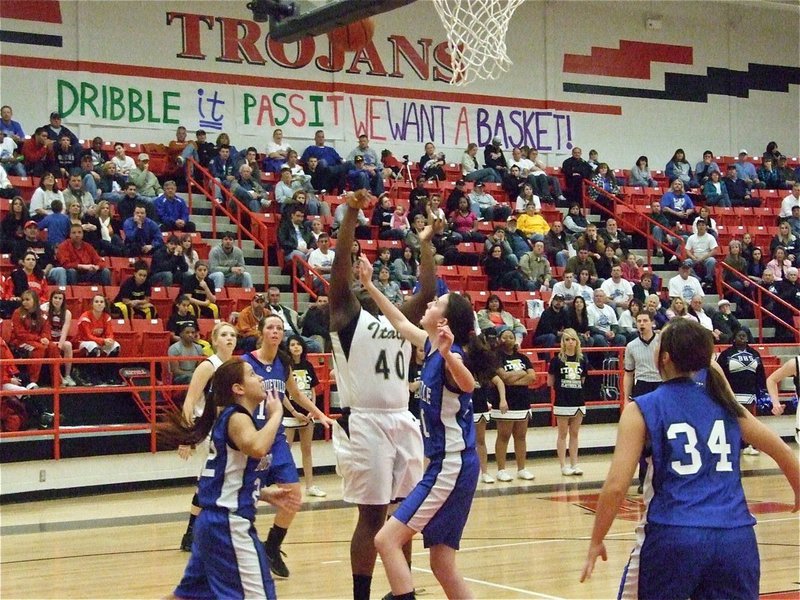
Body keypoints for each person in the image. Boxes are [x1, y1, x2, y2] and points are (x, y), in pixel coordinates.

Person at [580, 319, 800, 598]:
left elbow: (615, 487)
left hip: (674, 534)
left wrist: (596, 540)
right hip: (736, 538)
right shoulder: (728, 406)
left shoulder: (642, 409)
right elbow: (782, 449)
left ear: (665, 358)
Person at [328, 188, 437, 600]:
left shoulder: (397, 321)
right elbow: (340, 270)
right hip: (365, 419)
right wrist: (351, 215)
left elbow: (427, 293)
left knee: (404, 516)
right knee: (371, 515)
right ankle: (361, 595)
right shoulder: (345, 316)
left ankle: (401, 592)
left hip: (400, 417)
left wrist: (426, 245)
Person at [359, 269, 489, 600]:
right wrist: (370, 285)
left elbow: (468, 385)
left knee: (386, 540)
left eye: (437, 302)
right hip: (447, 464)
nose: (430, 303)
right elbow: (400, 324)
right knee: (443, 565)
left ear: (446, 321)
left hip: (452, 465)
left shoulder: (450, 355)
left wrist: (448, 355)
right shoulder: (432, 345)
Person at [162, 359, 290, 600]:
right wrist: (277, 415)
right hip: (227, 523)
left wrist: (261, 492)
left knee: (187, 596)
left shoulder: (231, 417)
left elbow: (226, 475)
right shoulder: (237, 418)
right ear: (238, 388)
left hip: (211, 523)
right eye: (253, 375)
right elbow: (257, 447)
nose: (261, 378)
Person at [242, 314, 333, 579]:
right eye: (270, 327)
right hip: (251, 437)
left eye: (279, 328)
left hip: (276, 438)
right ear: (261, 332)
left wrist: (320, 413)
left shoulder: (283, 362)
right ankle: (247, 555)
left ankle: (272, 546)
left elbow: (296, 393)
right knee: (246, 497)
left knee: (293, 495)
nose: (275, 331)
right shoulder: (246, 363)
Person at [177, 321, 238, 551]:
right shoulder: (208, 366)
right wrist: (186, 437)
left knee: (218, 480)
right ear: (214, 340)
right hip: (208, 430)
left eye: (232, 334)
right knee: (208, 480)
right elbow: (190, 401)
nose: (229, 338)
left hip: (229, 429)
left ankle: (201, 532)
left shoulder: (237, 366)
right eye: (224, 334)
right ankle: (192, 533)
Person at [284, 334, 327, 498]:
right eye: (292, 344)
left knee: (307, 450)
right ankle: (287, 487)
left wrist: (312, 410)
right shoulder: (285, 366)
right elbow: (282, 393)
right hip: (290, 414)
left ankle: (310, 486)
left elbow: (313, 390)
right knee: (285, 451)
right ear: (288, 348)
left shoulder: (308, 365)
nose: (295, 347)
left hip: (307, 416)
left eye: (298, 344)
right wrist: (294, 412)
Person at [493, 327, 536, 482]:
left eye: (511, 337)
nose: (509, 339)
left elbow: (532, 377)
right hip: (505, 402)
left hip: (523, 401)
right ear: (499, 339)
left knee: (521, 436)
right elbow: (503, 378)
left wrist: (515, 379)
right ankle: (501, 470)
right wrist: (521, 374)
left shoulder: (523, 357)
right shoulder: (496, 357)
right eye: (505, 337)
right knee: (503, 436)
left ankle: (521, 468)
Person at [718, 329, 767, 455]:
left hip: (750, 393)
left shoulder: (755, 354)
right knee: (732, 420)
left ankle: (749, 444)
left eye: (744, 336)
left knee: (749, 419)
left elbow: (760, 374)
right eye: (739, 335)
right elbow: (719, 373)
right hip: (731, 393)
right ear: (734, 338)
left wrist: (762, 390)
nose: (742, 338)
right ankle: (732, 445)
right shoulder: (726, 354)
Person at [548, 328, 589, 475]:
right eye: (567, 339)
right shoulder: (556, 360)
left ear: (577, 341)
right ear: (563, 342)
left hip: (578, 400)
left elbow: (583, 380)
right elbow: (550, 381)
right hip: (562, 401)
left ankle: (574, 464)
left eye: (573, 339)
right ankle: (563, 465)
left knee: (575, 433)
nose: (570, 342)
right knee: (562, 434)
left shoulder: (582, 359)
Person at [10, 289, 59, 388]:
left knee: (53, 347)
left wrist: (45, 338)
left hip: (37, 340)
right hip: (19, 342)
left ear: (35, 301)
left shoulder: (42, 314)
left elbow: (46, 329)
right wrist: (38, 339)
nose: (24, 302)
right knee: (39, 348)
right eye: (23, 300)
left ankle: (56, 380)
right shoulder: (17, 313)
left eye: (27, 299)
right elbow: (20, 334)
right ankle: (32, 381)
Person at [75, 294, 122, 385]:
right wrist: (103, 341)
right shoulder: (85, 316)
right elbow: (88, 336)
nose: (99, 304)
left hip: (99, 341)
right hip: (83, 341)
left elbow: (110, 332)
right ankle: (92, 376)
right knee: (93, 346)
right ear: (92, 304)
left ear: (104, 304)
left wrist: (110, 340)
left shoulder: (106, 316)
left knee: (116, 346)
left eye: (101, 302)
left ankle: (109, 376)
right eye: (96, 302)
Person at [43, 289, 76, 387]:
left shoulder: (67, 313)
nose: (57, 300)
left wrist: (59, 347)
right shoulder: (44, 309)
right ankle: (60, 377)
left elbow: (64, 331)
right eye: (55, 298)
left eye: (60, 298)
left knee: (68, 345)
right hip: (47, 339)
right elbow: (44, 329)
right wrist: (53, 345)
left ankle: (67, 375)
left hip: (58, 340)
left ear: (63, 300)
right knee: (52, 348)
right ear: (51, 299)